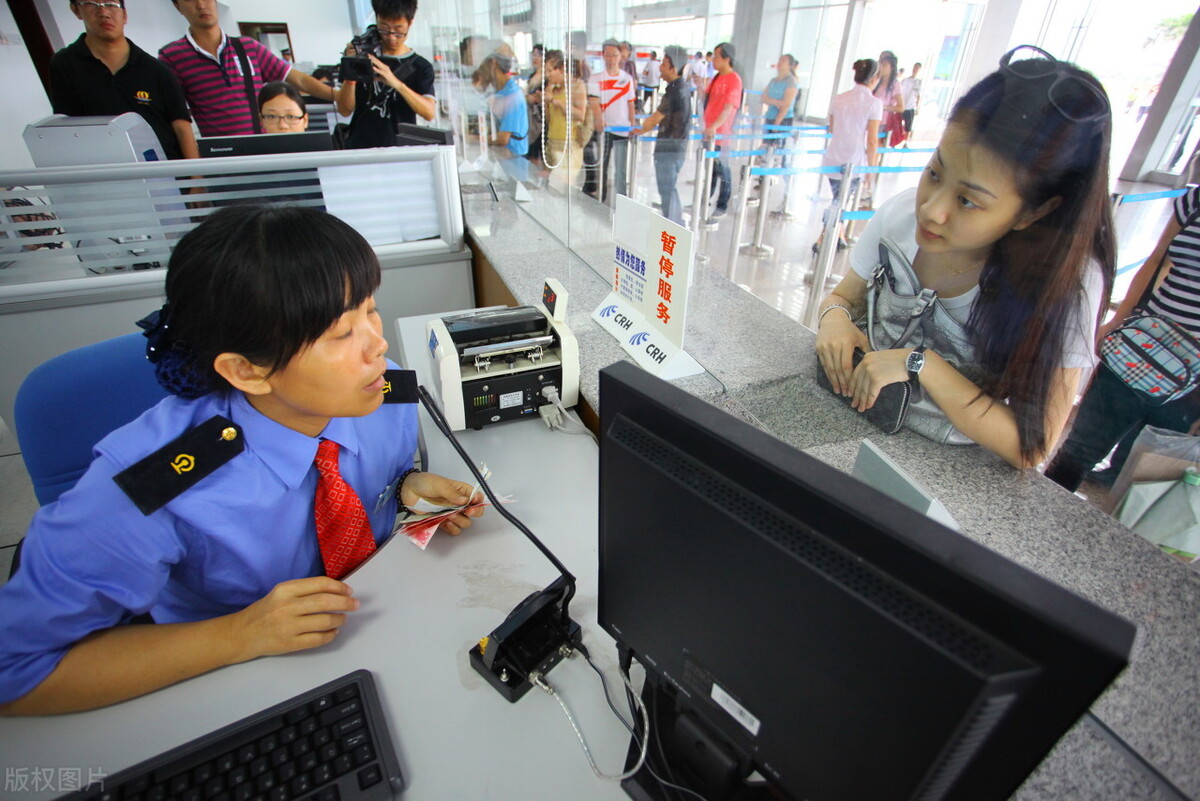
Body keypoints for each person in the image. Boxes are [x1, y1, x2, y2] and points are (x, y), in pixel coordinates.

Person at [0, 205, 484, 715]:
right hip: (243, 685)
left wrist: (405, 486)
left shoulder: (377, 388)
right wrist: (237, 636)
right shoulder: (151, 485)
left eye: (370, 308)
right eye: (341, 334)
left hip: (384, 634)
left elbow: (352, 486)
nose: (377, 345)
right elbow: (13, 672)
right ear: (247, 371)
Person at [815, 45, 1115, 470]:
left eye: (969, 201)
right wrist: (834, 319)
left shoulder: (1066, 284)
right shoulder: (901, 213)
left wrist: (919, 364)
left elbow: (1031, 446)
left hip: (942, 470)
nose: (932, 209)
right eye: (934, 172)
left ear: (1035, 210)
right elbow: (843, 295)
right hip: (847, 425)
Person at [1045, 184, 1200, 491]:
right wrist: (1119, 319)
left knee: (1145, 479)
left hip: (1193, 384)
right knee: (1076, 453)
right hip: (1142, 344)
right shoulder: (1195, 199)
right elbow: (1157, 261)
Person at [159, 0, 333, 138]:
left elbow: (298, 79)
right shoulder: (172, 56)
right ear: (177, 6)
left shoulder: (247, 47)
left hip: (264, 146)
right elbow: (179, 120)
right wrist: (196, 172)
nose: (201, 5)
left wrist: (338, 96)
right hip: (222, 156)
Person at [49, 0, 197, 160]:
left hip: (164, 170)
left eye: (111, 5)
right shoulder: (65, 64)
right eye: (92, 3)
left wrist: (197, 180)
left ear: (124, 15)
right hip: (106, 171)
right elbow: (66, 127)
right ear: (76, 10)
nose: (103, 13)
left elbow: (182, 127)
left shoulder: (156, 69)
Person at [336, 0, 436, 149]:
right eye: (384, 29)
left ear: (410, 22)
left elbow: (429, 112)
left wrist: (396, 83)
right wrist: (351, 70)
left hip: (400, 150)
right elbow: (344, 110)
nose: (391, 37)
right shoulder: (362, 57)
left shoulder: (420, 66)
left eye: (398, 30)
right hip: (359, 148)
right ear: (376, 19)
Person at [817, 58, 881, 249]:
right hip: (853, 161)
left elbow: (832, 127)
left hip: (833, 157)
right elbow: (872, 140)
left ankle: (839, 236)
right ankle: (822, 239)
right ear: (874, 78)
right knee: (840, 202)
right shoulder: (874, 103)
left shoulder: (839, 98)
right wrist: (871, 170)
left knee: (839, 199)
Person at [636, 45, 689, 225]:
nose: (660, 67)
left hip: (670, 149)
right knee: (668, 188)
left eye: (664, 64)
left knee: (668, 188)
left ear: (674, 67)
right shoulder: (679, 87)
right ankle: (673, 222)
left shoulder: (676, 90)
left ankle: (675, 225)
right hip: (674, 147)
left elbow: (655, 118)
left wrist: (635, 131)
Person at [587, 39, 637, 202]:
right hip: (605, 132)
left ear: (620, 56)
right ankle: (600, 199)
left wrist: (632, 125)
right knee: (602, 166)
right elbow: (594, 103)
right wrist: (599, 120)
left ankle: (622, 201)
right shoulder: (595, 79)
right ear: (603, 56)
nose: (611, 59)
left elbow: (630, 104)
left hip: (622, 130)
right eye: (607, 55)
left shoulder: (627, 79)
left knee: (621, 169)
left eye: (614, 55)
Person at [703, 43, 743, 220]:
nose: (713, 59)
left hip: (721, 134)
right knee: (710, 170)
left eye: (717, 56)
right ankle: (704, 200)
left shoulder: (734, 79)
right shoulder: (717, 77)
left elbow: (728, 108)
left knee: (723, 170)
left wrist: (715, 126)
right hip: (709, 132)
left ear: (727, 58)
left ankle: (722, 204)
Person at [540, 50, 587, 187]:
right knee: (551, 187)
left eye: (550, 71)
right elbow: (549, 119)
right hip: (552, 142)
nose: (547, 75)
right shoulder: (552, 88)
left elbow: (580, 114)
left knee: (563, 188)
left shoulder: (577, 86)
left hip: (568, 145)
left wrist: (556, 102)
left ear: (561, 70)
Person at [480, 47, 529, 160]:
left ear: (493, 64)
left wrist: (474, 139)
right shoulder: (501, 91)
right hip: (503, 157)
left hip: (514, 160)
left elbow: (503, 139)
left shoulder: (513, 97)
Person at [873, 52, 905, 149]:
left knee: (875, 148)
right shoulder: (876, 81)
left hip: (882, 122)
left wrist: (884, 107)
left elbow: (901, 107)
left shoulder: (895, 84)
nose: (881, 67)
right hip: (871, 119)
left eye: (885, 65)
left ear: (891, 67)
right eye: (880, 63)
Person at [900, 62, 923, 146]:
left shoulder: (917, 82)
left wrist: (917, 107)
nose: (915, 69)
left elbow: (918, 95)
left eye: (917, 68)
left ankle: (905, 142)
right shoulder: (905, 81)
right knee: (899, 123)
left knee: (908, 125)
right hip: (902, 105)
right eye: (914, 67)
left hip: (910, 107)